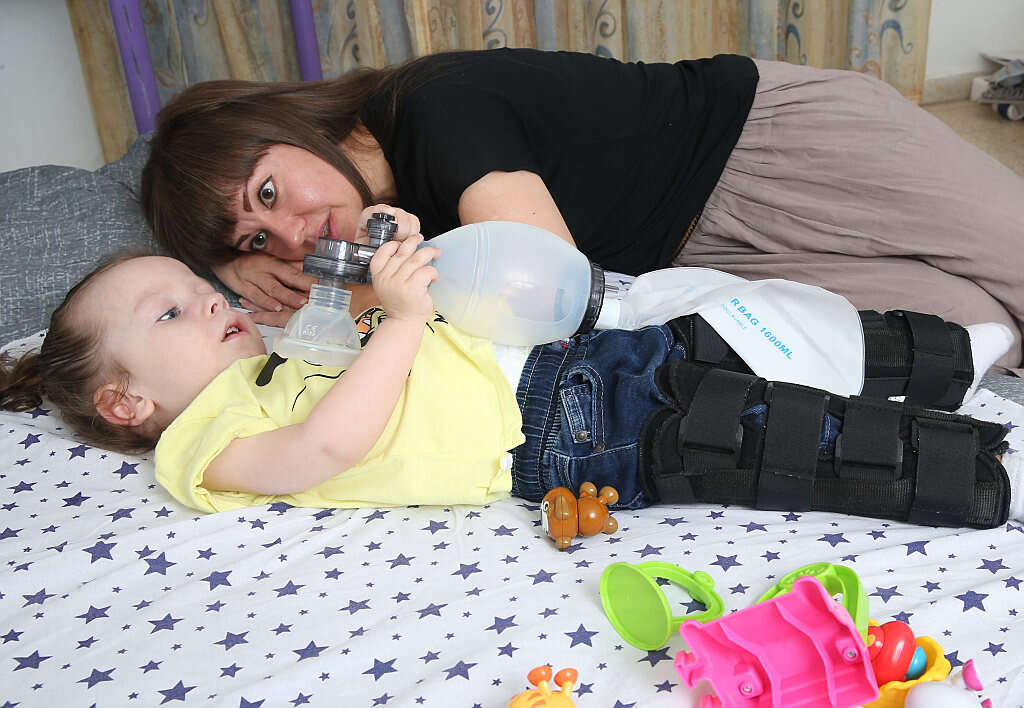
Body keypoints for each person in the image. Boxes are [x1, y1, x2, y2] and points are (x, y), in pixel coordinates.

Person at [1, 238, 1020, 529]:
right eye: (170, 315)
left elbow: (383, 334)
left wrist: (392, 272)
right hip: (554, 440)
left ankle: (943, 360)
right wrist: (403, 323)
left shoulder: (278, 357)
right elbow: (326, 447)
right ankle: (970, 476)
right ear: (127, 403)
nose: (209, 301)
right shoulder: (203, 444)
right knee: (757, 430)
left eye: (198, 287)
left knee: (737, 337)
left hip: (555, 363)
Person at [139, 48, 1024, 371]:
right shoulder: (380, 221)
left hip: (773, 145)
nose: (295, 234)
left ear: (290, 127)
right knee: (976, 334)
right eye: (261, 239)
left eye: (268, 192)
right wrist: (234, 267)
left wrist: (368, 294)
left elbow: (552, 285)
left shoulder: (434, 108)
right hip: (706, 257)